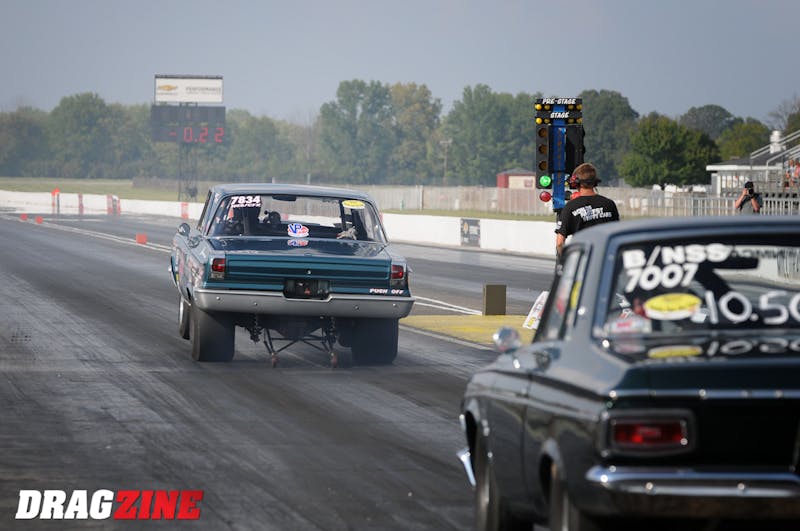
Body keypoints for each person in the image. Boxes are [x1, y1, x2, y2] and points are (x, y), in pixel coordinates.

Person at [555, 162, 619, 259]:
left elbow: (560, 243)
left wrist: (564, 262)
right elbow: (617, 234)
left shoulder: (570, 207)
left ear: (575, 183)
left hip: (582, 262)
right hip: (605, 259)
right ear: (595, 182)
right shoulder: (609, 204)